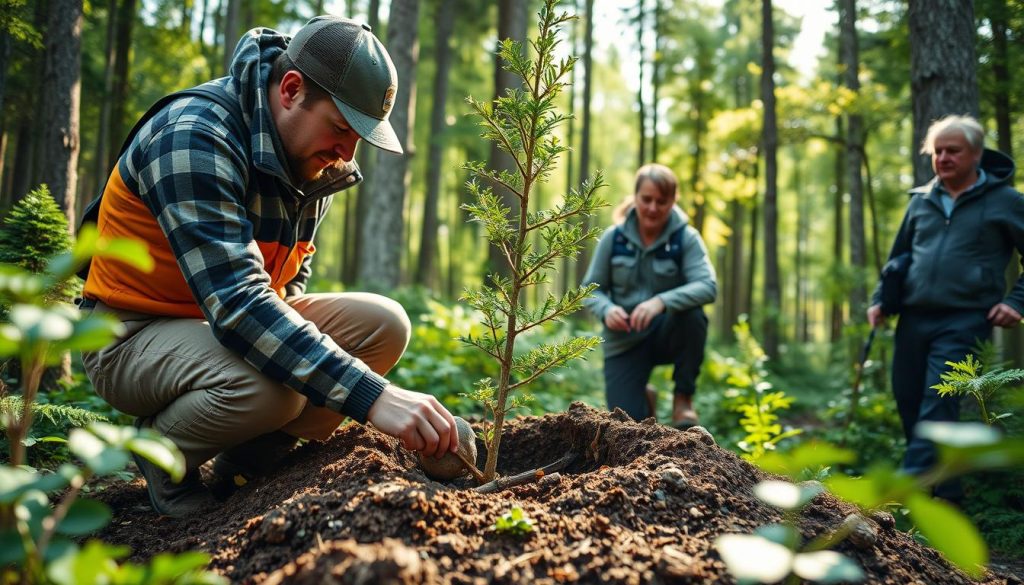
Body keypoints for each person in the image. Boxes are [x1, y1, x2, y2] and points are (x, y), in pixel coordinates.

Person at [78, 16, 459, 517]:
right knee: (271, 391)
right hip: (129, 333)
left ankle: (248, 464)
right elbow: (238, 304)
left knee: (384, 325)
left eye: (360, 137)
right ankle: (163, 453)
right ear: (291, 89)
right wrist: (374, 397)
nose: (347, 153)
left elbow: (285, 283)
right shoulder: (193, 136)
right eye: (342, 128)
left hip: (218, 328)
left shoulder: (310, 160)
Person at [868, 114, 1024, 500]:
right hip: (913, 317)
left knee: (937, 407)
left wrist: (1016, 301)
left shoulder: (1006, 201)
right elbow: (899, 257)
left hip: (966, 319)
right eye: (937, 151)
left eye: (952, 150)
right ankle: (947, 501)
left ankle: (899, 503)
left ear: (976, 154)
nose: (943, 157)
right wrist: (880, 300)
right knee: (908, 403)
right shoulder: (921, 200)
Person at [581, 163, 717, 428]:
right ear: (635, 197)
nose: (653, 208)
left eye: (661, 201)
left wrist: (660, 302)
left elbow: (708, 285)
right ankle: (644, 395)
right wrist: (607, 309)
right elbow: (590, 289)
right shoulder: (613, 238)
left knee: (693, 315)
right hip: (624, 339)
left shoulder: (685, 238)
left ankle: (683, 398)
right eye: (646, 199)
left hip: (666, 332)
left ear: (672, 202)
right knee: (628, 424)